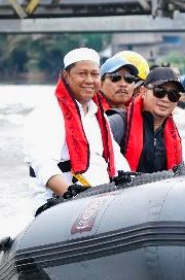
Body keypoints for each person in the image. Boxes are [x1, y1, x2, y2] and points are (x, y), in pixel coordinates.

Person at [24, 48, 129, 207]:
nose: (89, 80)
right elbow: (43, 164)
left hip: (100, 201)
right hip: (58, 204)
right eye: (82, 74)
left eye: (94, 74)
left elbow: (116, 157)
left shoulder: (98, 115)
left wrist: (131, 182)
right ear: (66, 77)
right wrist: (74, 197)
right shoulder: (48, 112)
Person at [109, 67, 184, 173]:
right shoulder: (117, 123)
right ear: (143, 92)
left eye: (173, 95)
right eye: (159, 91)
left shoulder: (174, 138)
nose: (165, 99)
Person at [98, 55, 140, 119]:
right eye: (115, 77)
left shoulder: (141, 112)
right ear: (101, 83)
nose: (123, 84)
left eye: (129, 78)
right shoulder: (90, 113)